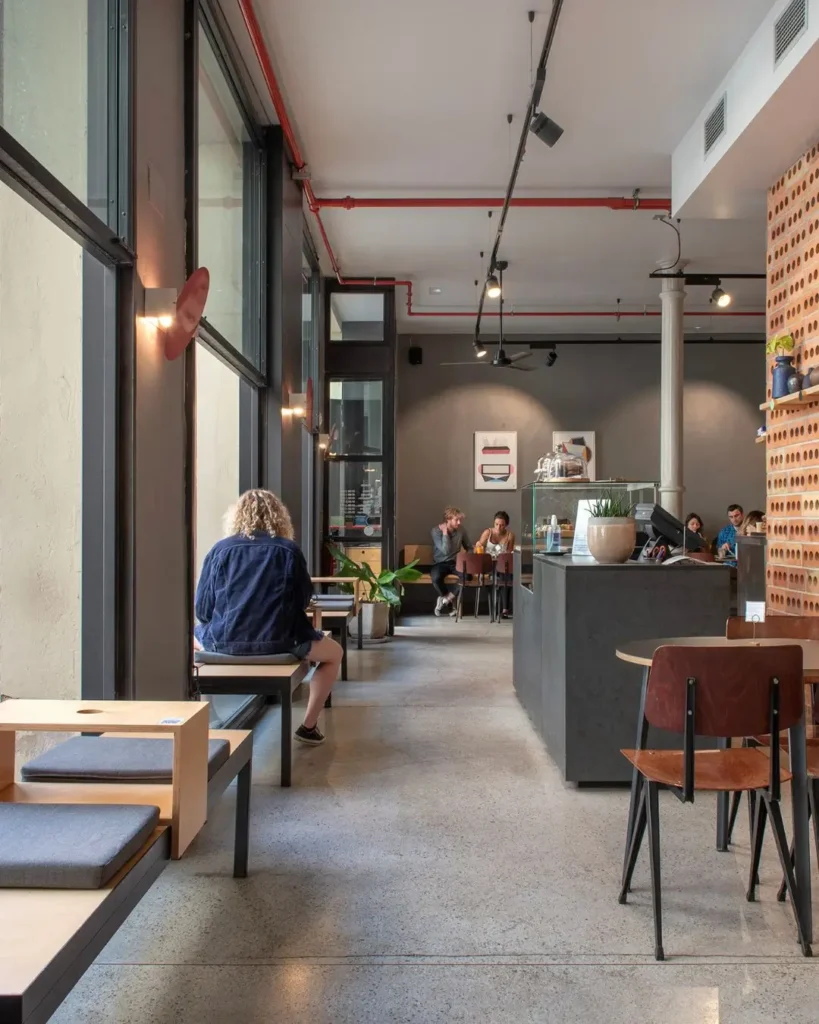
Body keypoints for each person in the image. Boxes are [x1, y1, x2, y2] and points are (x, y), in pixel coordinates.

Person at [194, 489, 342, 746]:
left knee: (189, 643)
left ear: (236, 516)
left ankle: (211, 721)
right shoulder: (289, 550)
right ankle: (308, 726)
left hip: (224, 644)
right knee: (335, 654)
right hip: (281, 643)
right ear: (279, 517)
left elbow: (203, 609)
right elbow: (303, 600)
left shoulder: (220, 550)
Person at [431, 506, 470, 616]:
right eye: (456, 520)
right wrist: (444, 532)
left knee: (467, 576)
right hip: (439, 563)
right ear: (448, 519)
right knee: (436, 578)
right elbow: (446, 551)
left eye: (460, 520)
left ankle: (446, 599)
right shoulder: (436, 531)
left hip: (455, 562)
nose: (459, 522)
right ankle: (450, 605)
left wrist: (467, 556)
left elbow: (469, 547)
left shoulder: (461, 530)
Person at [479, 511, 516, 618]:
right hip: (488, 564)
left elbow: (509, 554)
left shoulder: (510, 536)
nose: (499, 527)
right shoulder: (488, 532)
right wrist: (479, 546)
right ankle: (498, 607)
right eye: (496, 524)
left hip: (502, 565)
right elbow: (479, 546)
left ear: (506, 525)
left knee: (507, 574)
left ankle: (504, 609)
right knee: (503, 575)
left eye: (502, 525)